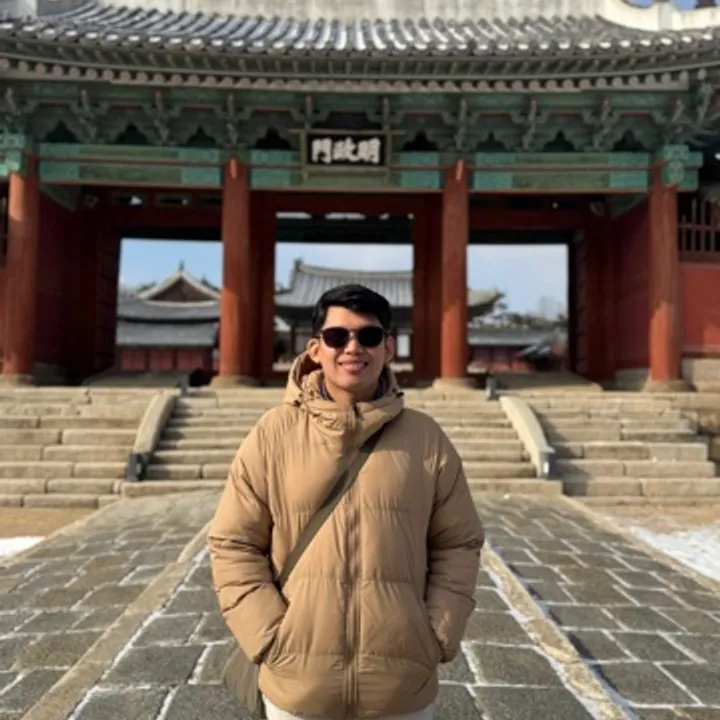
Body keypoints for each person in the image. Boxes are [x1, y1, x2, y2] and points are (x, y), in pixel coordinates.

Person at [207, 283, 484, 720]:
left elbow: (458, 542)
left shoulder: (426, 439)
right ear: (315, 349)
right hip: (298, 682)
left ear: (389, 348)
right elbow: (233, 543)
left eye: (368, 336)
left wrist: (435, 634)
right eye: (338, 336)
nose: (353, 347)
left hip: (400, 684)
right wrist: (269, 637)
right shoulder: (272, 435)